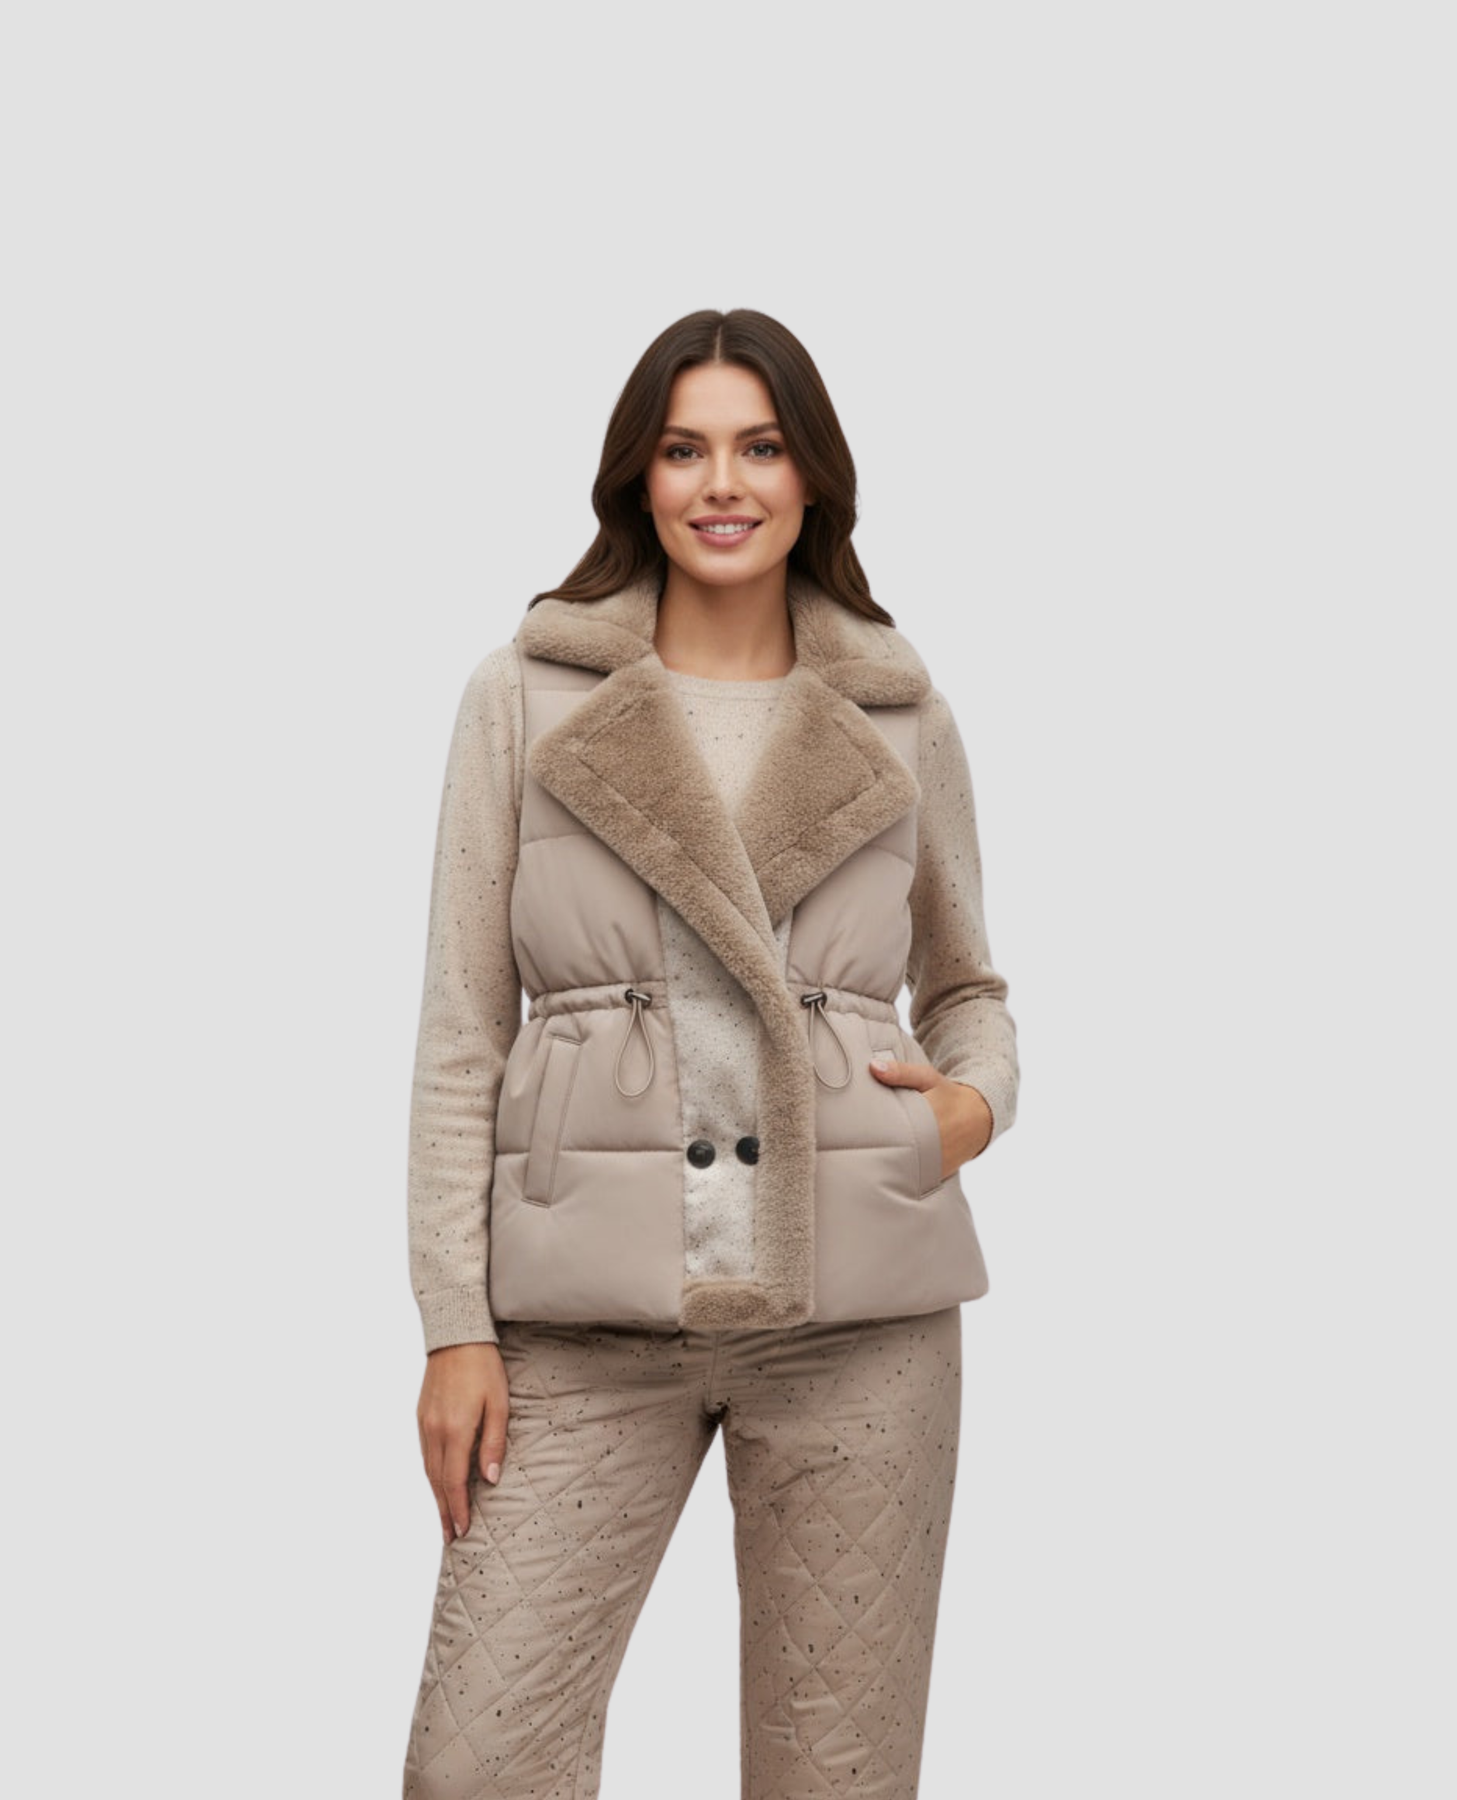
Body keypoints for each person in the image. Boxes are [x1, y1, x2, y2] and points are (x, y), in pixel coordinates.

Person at [399, 308, 1019, 1799]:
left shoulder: (899, 709)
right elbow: (462, 1031)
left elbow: (971, 989)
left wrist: (964, 1114)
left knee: (836, 1778)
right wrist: (453, 1323)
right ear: (639, 476)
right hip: (581, 1315)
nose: (722, 484)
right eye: (685, 449)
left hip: (860, 1310)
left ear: (814, 478)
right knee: (475, 1765)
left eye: (761, 447)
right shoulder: (524, 695)